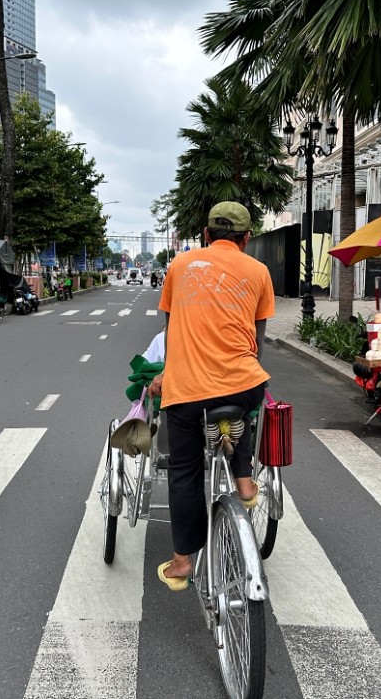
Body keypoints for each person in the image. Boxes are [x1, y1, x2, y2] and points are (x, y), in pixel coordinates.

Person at [148, 201, 274, 591]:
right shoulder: (259, 271)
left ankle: (183, 562)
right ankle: (245, 480)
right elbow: (258, 340)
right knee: (244, 407)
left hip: (188, 391)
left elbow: (172, 331)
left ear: (205, 235)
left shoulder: (180, 266)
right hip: (244, 382)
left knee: (185, 471)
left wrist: (170, 373)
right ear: (247, 238)